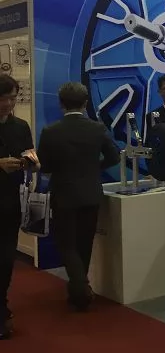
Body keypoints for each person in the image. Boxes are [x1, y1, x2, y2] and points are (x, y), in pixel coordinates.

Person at [37, 82, 119, 312]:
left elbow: (45, 166)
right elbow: (114, 157)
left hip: (63, 194)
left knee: (66, 244)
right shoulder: (97, 128)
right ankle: (78, 292)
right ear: (85, 103)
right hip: (91, 193)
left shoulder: (50, 131)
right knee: (85, 242)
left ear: (61, 103)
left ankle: (81, 287)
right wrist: (94, 168)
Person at [0, 75, 34, 340]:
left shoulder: (21, 126)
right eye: (3, 98)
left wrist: (29, 161)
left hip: (10, 202)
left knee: (6, 259)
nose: (9, 103)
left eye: (12, 98)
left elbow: (29, 153)